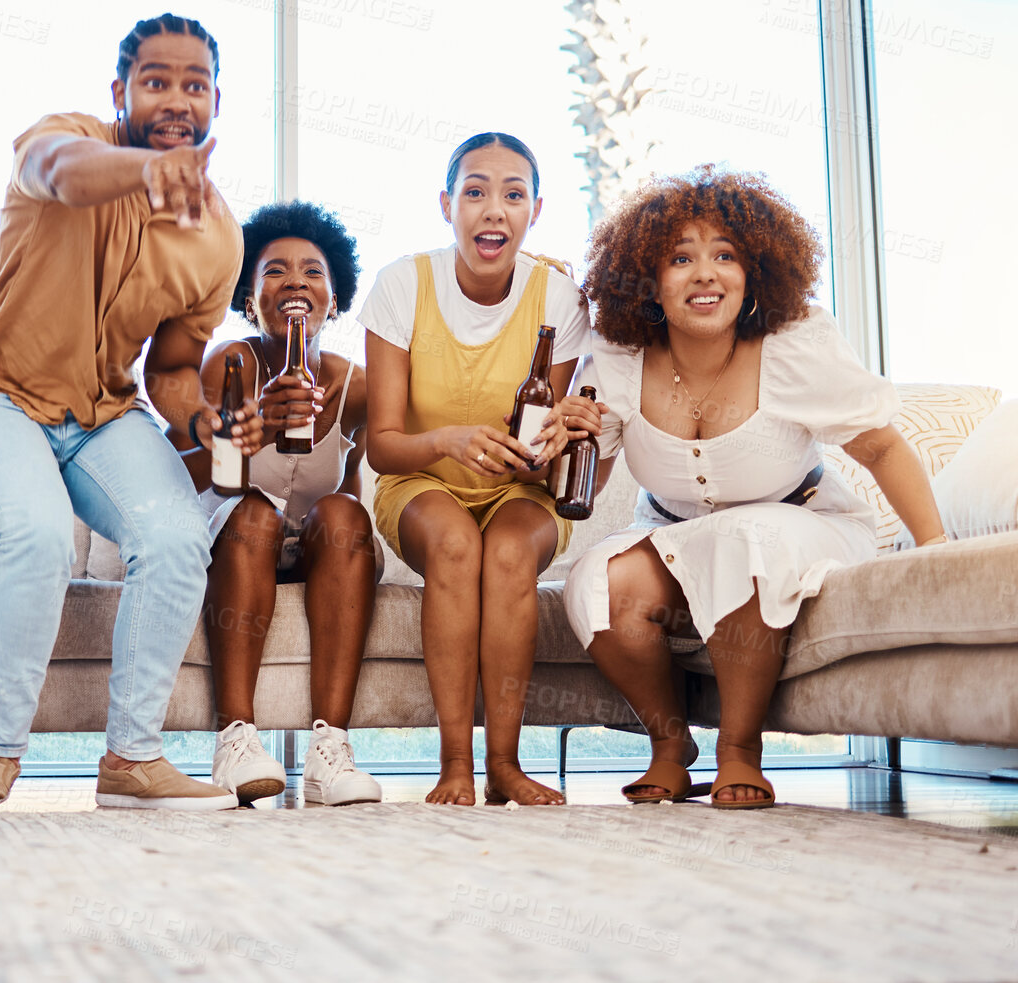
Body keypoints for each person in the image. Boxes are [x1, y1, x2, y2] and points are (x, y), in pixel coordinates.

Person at [0, 13, 258, 814]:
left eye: (196, 84)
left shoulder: (219, 237)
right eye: (157, 81)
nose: (178, 98)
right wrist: (146, 174)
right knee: (38, 533)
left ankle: (131, 760)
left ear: (217, 99)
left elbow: (174, 367)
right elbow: (64, 172)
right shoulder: (61, 140)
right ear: (120, 92)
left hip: (103, 414)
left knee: (180, 538)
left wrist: (202, 421)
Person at [566, 166, 945, 809]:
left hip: (800, 522)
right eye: (680, 258)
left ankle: (740, 749)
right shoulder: (621, 357)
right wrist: (573, 431)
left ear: (754, 274)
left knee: (749, 537)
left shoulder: (791, 344)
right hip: (673, 531)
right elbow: (587, 480)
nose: (705, 274)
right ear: (650, 284)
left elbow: (880, 445)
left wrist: (936, 549)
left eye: (725, 256)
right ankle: (668, 744)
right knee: (600, 580)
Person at [360, 132, 596, 807]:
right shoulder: (402, 285)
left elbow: (547, 432)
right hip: (422, 480)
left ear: (535, 210)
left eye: (513, 194)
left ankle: (505, 765)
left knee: (511, 549)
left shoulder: (558, 301)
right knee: (459, 543)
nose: (494, 209)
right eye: (475, 191)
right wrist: (447, 440)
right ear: (447, 204)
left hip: (519, 489)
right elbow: (381, 445)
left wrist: (553, 438)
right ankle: (455, 763)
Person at [175, 201, 383, 806]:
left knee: (347, 516)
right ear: (250, 297)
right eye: (274, 271)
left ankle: (331, 751)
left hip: (315, 546)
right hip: (239, 538)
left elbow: (350, 492)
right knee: (253, 513)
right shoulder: (229, 364)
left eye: (313, 271)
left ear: (334, 298)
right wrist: (250, 425)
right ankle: (235, 740)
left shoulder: (356, 384)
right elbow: (185, 472)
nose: (295, 281)